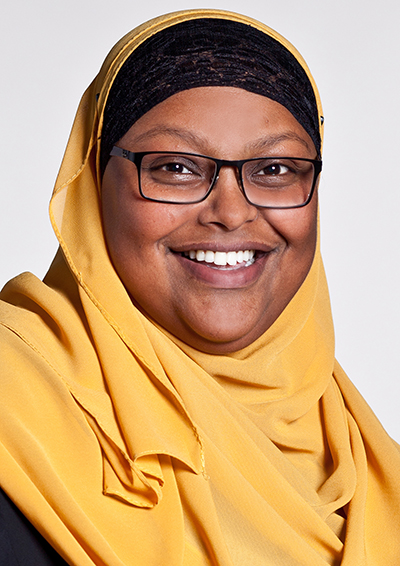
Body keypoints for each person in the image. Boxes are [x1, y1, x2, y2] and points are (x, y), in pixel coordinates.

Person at [0, 8, 399, 566]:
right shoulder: (14, 402)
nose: (232, 213)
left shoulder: (363, 461)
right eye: (176, 168)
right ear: (94, 183)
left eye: (277, 170)